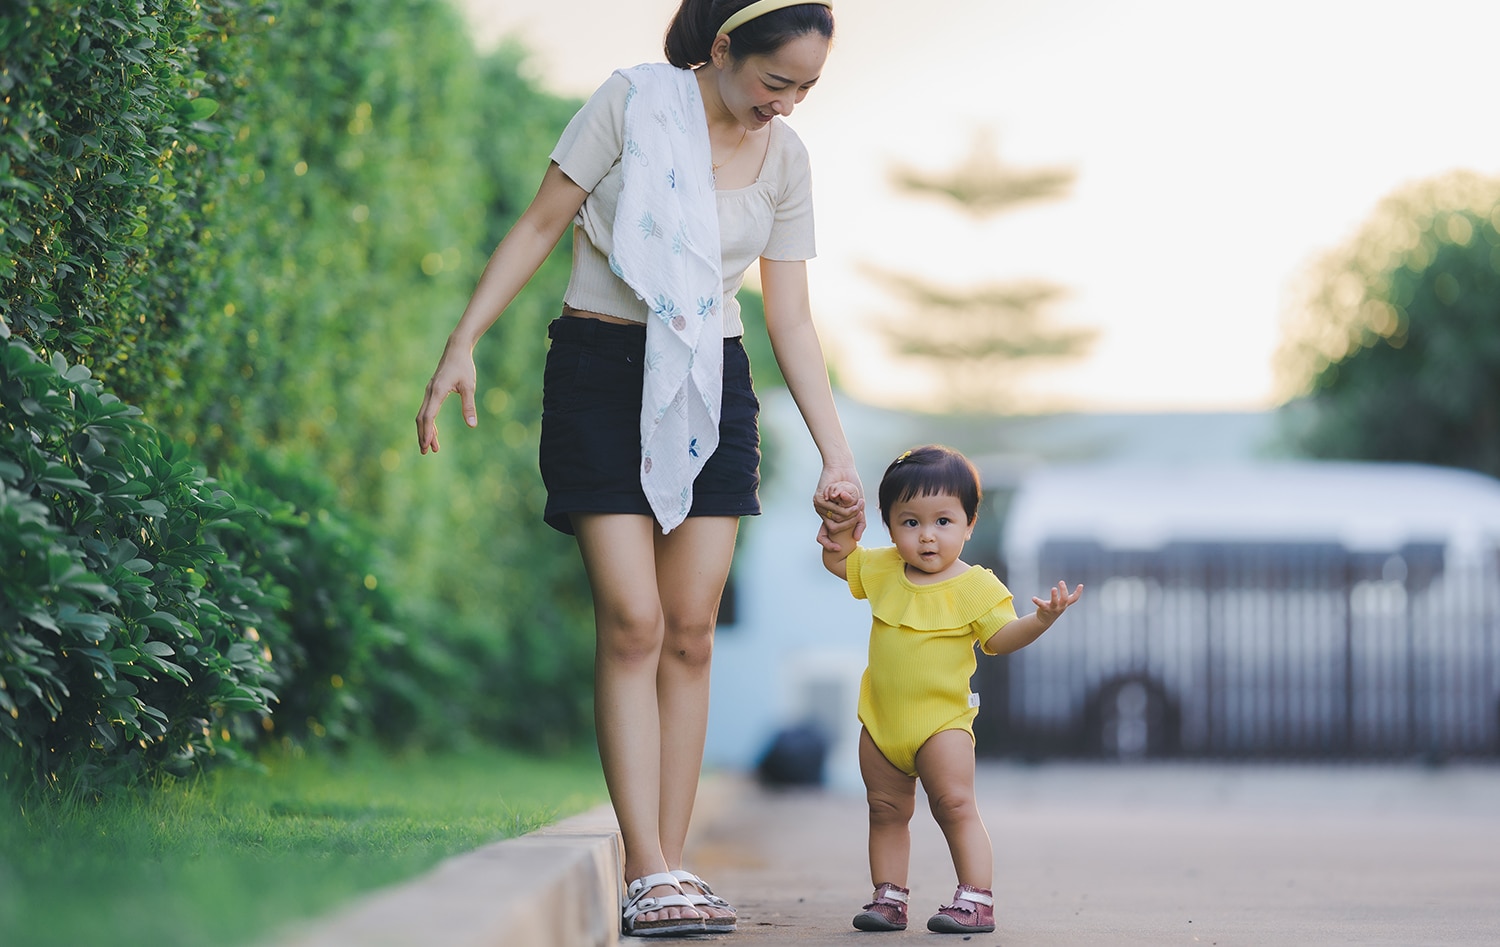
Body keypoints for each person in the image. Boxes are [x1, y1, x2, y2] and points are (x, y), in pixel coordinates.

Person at [415, 0, 865, 938]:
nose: (786, 105)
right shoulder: (628, 103)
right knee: (634, 620)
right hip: (600, 368)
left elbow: (788, 318)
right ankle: (648, 866)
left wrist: (837, 452)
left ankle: (671, 862)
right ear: (723, 48)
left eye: (806, 89)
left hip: (714, 379)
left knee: (692, 629)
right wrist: (462, 343)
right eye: (775, 82)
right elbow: (542, 224)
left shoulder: (786, 160)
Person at [819, 445, 1081, 934]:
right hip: (881, 722)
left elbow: (1000, 640)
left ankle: (975, 899)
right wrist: (837, 525)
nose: (926, 536)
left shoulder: (975, 587)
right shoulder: (880, 569)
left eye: (943, 521)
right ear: (889, 524)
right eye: (910, 522)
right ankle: (889, 897)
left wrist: (1040, 621)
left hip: (943, 724)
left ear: (969, 525)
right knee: (885, 810)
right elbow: (838, 561)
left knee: (955, 806)